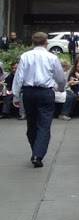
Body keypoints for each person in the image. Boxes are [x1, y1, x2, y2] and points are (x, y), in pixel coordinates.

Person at [11, 32, 67, 167]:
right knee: (44, 125)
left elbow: (19, 77)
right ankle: (38, 154)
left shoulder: (25, 56)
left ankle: (35, 150)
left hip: (29, 92)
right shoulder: (52, 57)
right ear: (46, 42)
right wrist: (60, 88)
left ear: (32, 42)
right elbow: (60, 77)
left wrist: (16, 95)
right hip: (46, 92)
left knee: (31, 123)